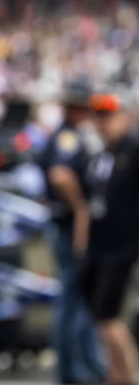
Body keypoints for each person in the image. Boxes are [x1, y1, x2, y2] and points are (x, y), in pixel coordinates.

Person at [39, 82, 105, 384]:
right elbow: (60, 176)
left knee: (76, 297)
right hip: (68, 227)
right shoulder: (68, 138)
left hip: (66, 224)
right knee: (75, 297)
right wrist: (80, 207)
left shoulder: (72, 136)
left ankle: (80, 367)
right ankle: (75, 370)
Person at [80, 94, 139, 385]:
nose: (105, 122)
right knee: (101, 316)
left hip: (122, 246)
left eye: (110, 115)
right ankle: (116, 375)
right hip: (100, 247)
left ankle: (126, 376)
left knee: (110, 315)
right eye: (100, 116)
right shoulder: (102, 154)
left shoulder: (133, 148)